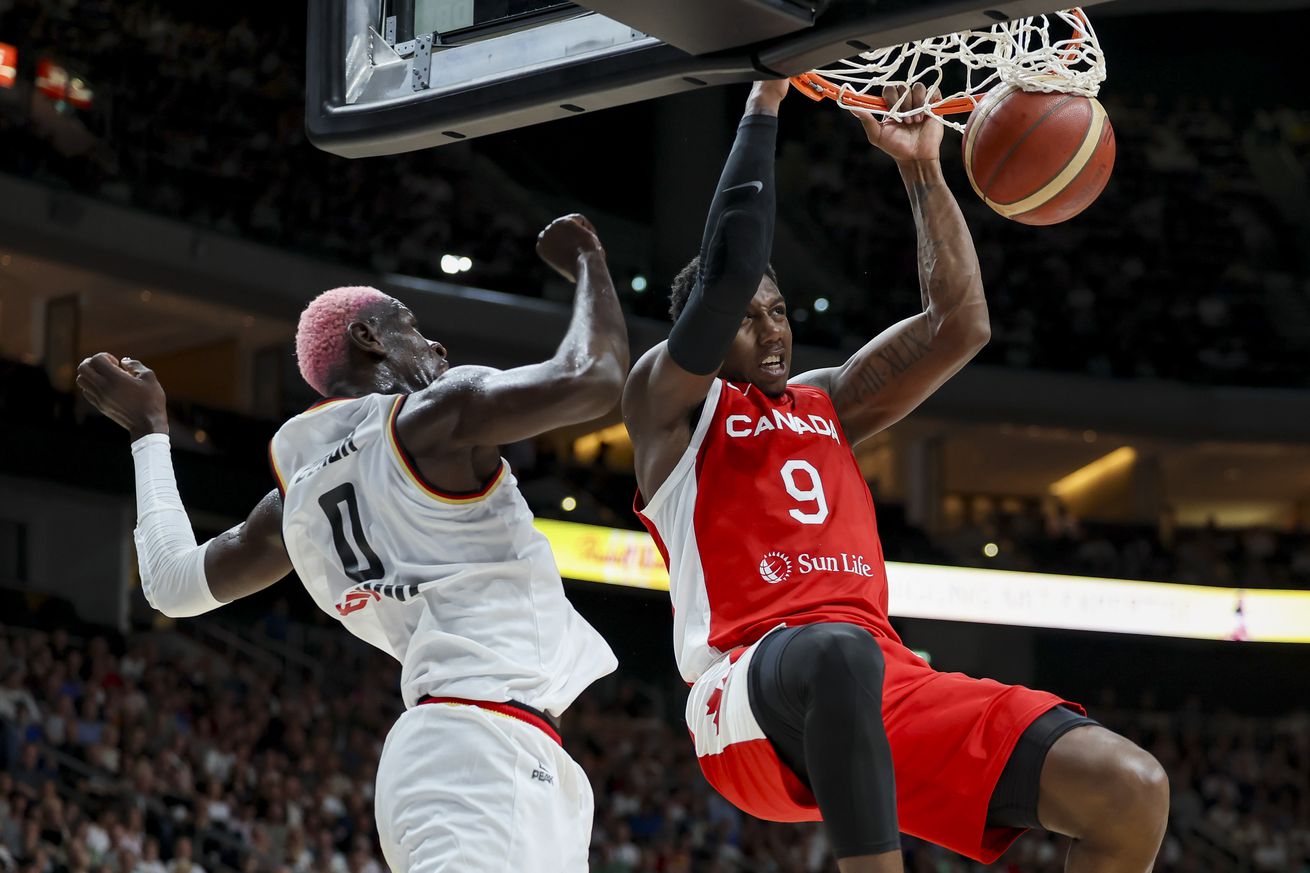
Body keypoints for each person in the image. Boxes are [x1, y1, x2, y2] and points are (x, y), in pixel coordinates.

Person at [622, 80, 1170, 873]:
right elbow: (728, 271)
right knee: (836, 650)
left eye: (778, 310)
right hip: (744, 692)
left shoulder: (827, 401)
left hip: (880, 678)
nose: (770, 327)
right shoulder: (670, 408)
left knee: (1129, 787)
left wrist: (922, 168)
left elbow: (960, 323)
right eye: (747, 316)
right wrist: (765, 101)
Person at [76, 214, 629, 873]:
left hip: (485, 751)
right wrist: (591, 261)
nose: (439, 346)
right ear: (369, 337)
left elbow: (172, 578)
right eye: (415, 329)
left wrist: (148, 434)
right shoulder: (439, 415)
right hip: (476, 749)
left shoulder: (295, 503)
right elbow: (596, 376)